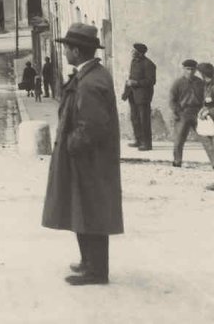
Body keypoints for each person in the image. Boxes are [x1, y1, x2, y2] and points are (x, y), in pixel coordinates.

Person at [42, 23, 122, 286]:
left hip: (89, 161)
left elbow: (93, 126)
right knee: (81, 209)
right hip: (85, 160)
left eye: (66, 48)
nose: (64, 52)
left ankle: (97, 272)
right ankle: (88, 262)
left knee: (92, 210)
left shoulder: (90, 82)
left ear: (76, 51)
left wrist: (72, 145)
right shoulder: (89, 75)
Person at [169, 58, 205, 167]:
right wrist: (177, 112)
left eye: (192, 69)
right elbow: (172, 100)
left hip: (198, 113)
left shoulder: (200, 82)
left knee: (207, 139)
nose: (190, 72)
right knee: (179, 139)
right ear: (183, 69)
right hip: (183, 113)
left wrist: (204, 111)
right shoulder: (177, 83)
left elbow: (206, 97)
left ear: (195, 70)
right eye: (188, 69)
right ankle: (177, 161)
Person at [121, 42, 156, 151]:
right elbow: (131, 77)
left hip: (143, 96)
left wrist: (135, 83)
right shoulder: (134, 62)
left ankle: (147, 144)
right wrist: (126, 92)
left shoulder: (148, 64)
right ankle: (139, 140)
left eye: (133, 51)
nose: (131, 52)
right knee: (135, 118)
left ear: (140, 53)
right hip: (132, 95)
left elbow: (151, 81)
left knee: (144, 120)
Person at [193, 63, 214, 178]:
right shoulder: (208, 85)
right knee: (208, 145)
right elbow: (208, 102)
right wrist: (204, 109)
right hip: (210, 120)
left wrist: (209, 111)